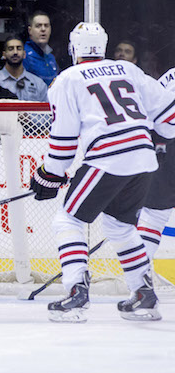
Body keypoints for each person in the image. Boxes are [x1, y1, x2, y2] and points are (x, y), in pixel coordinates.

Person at [29, 22, 175, 323]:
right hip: (145, 158)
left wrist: (48, 174)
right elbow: (167, 117)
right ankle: (143, 296)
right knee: (120, 227)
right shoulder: (128, 70)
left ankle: (76, 293)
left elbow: (64, 142)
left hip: (107, 158)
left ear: (73, 49)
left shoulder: (67, 79)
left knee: (67, 219)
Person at [135, 67, 175, 262]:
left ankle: (139, 280)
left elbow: (157, 113)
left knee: (154, 217)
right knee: (154, 216)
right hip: (168, 144)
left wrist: (158, 142)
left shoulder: (170, 75)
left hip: (167, 145)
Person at [0, 35, 48, 101]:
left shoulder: (38, 83)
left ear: (24, 54)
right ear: (4, 54)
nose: (15, 52)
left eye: (19, 48)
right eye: (11, 49)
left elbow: (47, 109)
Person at [22, 11, 59, 86]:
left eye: (46, 26)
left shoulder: (51, 56)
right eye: (38, 26)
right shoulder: (24, 55)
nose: (43, 29)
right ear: (30, 30)